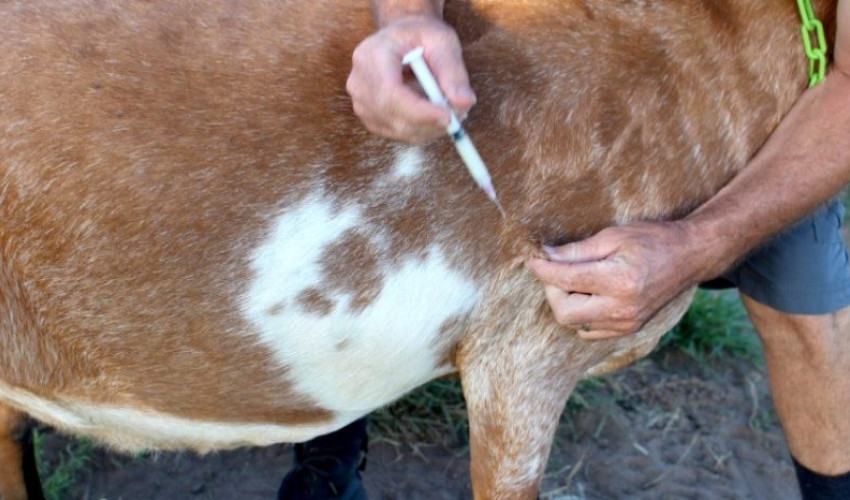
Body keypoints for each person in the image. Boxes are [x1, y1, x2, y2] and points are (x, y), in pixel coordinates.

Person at [279, 1, 850, 499]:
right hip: (559, 47)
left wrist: (697, 246)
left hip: (772, 82)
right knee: (373, 211)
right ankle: (324, 470)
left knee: (809, 316)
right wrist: (407, 20)